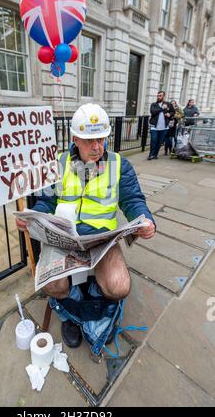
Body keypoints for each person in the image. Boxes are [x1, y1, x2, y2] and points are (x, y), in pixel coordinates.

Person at [16, 104, 155, 349]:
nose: (97, 147)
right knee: (51, 285)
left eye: (101, 139)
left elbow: (133, 199)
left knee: (118, 287)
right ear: (75, 139)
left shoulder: (119, 165)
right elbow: (46, 202)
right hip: (64, 239)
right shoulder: (58, 163)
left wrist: (146, 220)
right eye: (89, 140)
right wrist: (32, 216)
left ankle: (87, 298)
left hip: (102, 241)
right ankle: (74, 312)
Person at [148, 91, 175, 160]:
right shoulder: (154, 104)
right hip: (154, 127)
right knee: (153, 141)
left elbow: (173, 112)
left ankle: (155, 154)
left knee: (159, 142)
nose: (158, 97)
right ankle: (151, 154)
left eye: (160, 95)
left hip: (164, 127)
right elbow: (153, 112)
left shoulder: (168, 104)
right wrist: (162, 108)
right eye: (158, 95)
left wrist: (170, 114)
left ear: (163, 96)